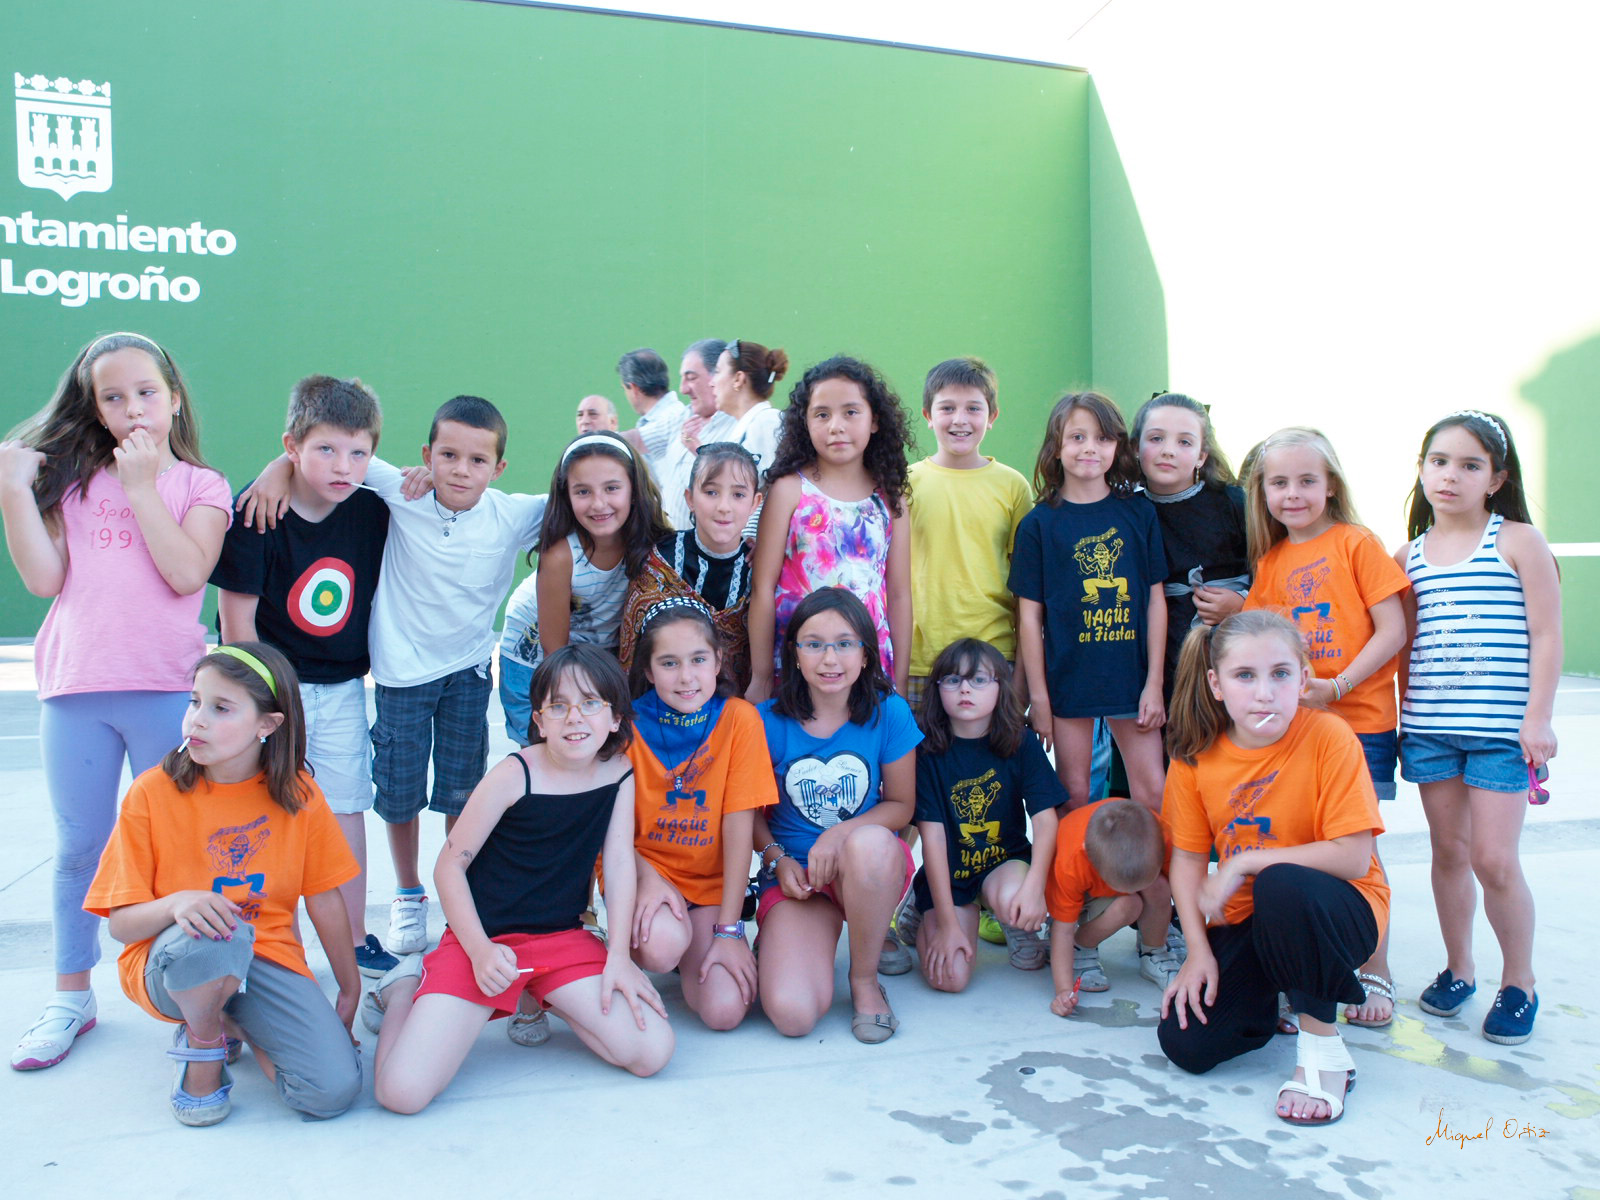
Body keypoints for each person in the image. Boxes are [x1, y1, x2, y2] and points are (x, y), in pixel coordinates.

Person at [238, 395, 548, 960]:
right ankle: (408, 893)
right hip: (401, 677)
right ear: (427, 456)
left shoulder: (515, 514)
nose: (461, 470)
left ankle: (461, 892)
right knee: (399, 794)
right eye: (448, 455)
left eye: (478, 460)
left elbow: (584, 492)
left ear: (499, 468)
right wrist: (276, 469)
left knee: (461, 791)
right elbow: (329, 454)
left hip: (468, 674)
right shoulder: (401, 491)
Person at [1, 331, 231, 1072]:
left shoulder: (202, 486)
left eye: (146, 392)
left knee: (181, 853)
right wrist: (13, 492)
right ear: (95, 409)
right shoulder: (71, 485)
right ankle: (72, 997)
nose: (133, 408)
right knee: (80, 850)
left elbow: (186, 573)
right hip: (75, 690)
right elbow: (44, 580)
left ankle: (191, 996)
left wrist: (140, 487)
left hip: (166, 691)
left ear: (174, 399)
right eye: (113, 397)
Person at [364, 646, 673, 1114]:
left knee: (652, 1052)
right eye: (559, 706)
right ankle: (404, 988)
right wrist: (479, 950)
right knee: (401, 1094)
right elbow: (449, 867)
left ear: (615, 718)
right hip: (484, 941)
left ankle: (541, 992)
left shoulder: (619, 770)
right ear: (539, 721)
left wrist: (618, 958)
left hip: (562, 939)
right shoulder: (514, 774)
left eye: (591, 703)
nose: (575, 717)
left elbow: (618, 862)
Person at [84, 643, 362, 1126]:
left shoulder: (298, 795)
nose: (197, 720)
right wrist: (178, 904)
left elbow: (324, 897)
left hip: (265, 958)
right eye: (194, 702)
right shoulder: (152, 792)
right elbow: (122, 926)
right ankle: (203, 1045)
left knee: (331, 1092)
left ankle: (233, 1019)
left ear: (267, 725)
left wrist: (349, 986)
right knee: (219, 931)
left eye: (221, 708)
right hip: (172, 964)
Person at [1159, 612, 1388, 1127]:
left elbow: (1354, 857)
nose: (1265, 693)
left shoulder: (1329, 735)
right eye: (1245, 676)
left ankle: (1324, 1053)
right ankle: (1279, 996)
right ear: (1216, 684)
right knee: (1187, 1045)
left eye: (1280, 674)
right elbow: (1188, 861)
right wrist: (1197, 952)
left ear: (1304, 679)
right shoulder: (1195, 756)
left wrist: (1246, 861)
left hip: (1339, 914)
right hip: (1254, 921)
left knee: (1281, 883)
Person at [211, 375, 396, 978]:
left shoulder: (371, 506)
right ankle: (275, 948)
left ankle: (356, 939)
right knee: (267, 814)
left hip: (341, 688)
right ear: (291, 446)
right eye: (325, 450)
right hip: (269, 695)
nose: (344, 466)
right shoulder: (257, 511)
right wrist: (261, 708)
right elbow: (236, 624)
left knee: (344, 809)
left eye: (358, 453)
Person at [1398, 410, 1558, 1046]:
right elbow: (1402, 646)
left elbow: (1547, 634)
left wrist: (1537, 718)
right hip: (1431, 731)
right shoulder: (1406, 557)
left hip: (1500, 733)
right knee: (1449, 854)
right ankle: (1459, 969)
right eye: (1439, 462)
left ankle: (1519, 983)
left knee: (1493, 859)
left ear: (1496, 479)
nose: (1450, 476)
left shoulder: (1518, 541)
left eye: (1470, 465)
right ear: (1421, 469)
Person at [1243, 427, 1409, 1029]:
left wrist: (1337, 686)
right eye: (1279, 483)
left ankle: (1375, 967)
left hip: (1359, 723)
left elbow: (1393, 630)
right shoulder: (1270, 563)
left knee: (1358, 851)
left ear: (1331, 485)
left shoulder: (1356, 543)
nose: (1292, 494)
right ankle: (1311, 969)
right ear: (1263, 493)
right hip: (1298, 731)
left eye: (1306, 480)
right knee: (1305, 846)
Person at [753, 588, 922, 1043]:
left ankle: (864, 979)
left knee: (869, 843)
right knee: (793, 1015)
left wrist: (838, 835)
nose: (830, 658)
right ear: (794, 654)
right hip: (798, 878)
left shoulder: (889, 712)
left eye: (845, 643)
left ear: (865, 654)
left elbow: (901, 805)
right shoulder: (766, 721)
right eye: (814, 644)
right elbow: (746, 813)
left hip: (864, 869)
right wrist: (776, 859)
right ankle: (779, 942)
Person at [1010, 392, 1168, 812]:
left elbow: (1155, 601)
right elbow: (1029, 619)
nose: (1090, 448)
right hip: (1068, 680)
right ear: (1056, 447)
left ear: (1117, 446)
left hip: (1131, 679)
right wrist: (1039, 698)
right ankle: (1073, 861)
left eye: (1102, 438)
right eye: (1077, 437)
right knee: (1074, 793)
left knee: (1153, 792)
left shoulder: (1139, 514)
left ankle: (1154, 862)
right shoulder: (1038, 525)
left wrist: (1154, 684)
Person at [625, 599, 775, 1030]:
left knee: (724, 1012)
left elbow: (739, 830)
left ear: (718, 662)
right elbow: (606, 829)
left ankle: (698, 939)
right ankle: (664, 943)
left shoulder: (740, 719)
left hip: (709, 888)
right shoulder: (625, 727)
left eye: (698, 659)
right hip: (644, 873)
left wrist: (729, 929)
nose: (686, 677)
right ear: (648, 670)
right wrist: (646, 877)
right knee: (659, 947)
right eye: (669, 663)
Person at [747, 355, 914, 700]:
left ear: (875, 420)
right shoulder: (789, 490)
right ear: (804, 422)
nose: (836, 426)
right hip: (796, 668)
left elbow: (899, 594)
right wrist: (761, 676)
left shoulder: (890, 499)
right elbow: (762, 588)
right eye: (822, 414)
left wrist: (896, 679)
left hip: (868, 670)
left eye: (851, 412)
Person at [902, 639, 1061, 990]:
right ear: (937, 689)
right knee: (950, 979)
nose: (965, 689)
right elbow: (932, 839)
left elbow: (1045, 820)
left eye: (979, 680)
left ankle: (1013, 920)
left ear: (1000, 686)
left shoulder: (1020, 740)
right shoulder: (925, 749)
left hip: (1003, 863)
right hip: (949, 871)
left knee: (1016, 897)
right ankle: (923, 902)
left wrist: (1035, 888)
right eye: (953, 680)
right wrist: (947, 925)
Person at [498, 430, 671, 744]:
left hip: (599, 653)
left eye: (612, 488)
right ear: (566, 495)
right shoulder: (561, 555)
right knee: (550, 747)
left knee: (605, 746)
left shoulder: (653, 541)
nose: (598, 503)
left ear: (634, 490)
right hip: (535, 659)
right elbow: (555, 654)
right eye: (583, 492)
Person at [906, 358, 1033, 712]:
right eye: (947, 408)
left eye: (973, 408)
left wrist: (1022, 677)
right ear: (928, 415)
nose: (960, 419)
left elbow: (1026, 590)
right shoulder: (904, 483)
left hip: (993, 657)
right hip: (919, 659)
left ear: (992, 416)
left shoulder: (1013, 486)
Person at [1132, 393, 1250, 704]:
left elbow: (1274, 570)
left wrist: (1244, 601)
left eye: (1184, 442)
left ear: (1201, 456)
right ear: (1135, 448)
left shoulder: (1234, 503)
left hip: (1226, 649)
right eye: (1156, 438)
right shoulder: (1126, 512)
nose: (1168, 450)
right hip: (1151, 660)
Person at [619, 442, 761, 690]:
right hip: (662, 701)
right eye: (711, 492)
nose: (724, 506)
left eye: (738, 495)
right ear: (690, 498)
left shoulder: (760, 568)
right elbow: (633, 655)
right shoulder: (659, 562)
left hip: (736, 705)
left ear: (755, 503)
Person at [1045, 798, 1178, 1011]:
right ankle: (1081, 946)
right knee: (1130, 904)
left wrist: (1199, 951)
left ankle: (1154, 952)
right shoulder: (1072, 862)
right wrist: (1063, 990)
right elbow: (1063, 930)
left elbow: (1186, 891)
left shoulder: (1161, 835)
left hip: (1109, 875)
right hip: (1082, 895)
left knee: (1160, 887)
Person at [658, 338, 733, 528]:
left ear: (719, 376)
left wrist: (699, 450)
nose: (683, 389)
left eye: (691, 378)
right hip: (665, 540)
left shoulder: (739, 428)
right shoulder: (682, 417)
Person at [711, 338, 789, 484]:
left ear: (738, 379)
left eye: (717, 371)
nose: (711, 382)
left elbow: (768, 486)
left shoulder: (767, 422)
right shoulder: (751, 425)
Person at [616, 348, 686, 488]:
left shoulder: (674, 416)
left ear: (634, 388)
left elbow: (634, 440)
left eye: (624, 389)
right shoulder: (668, 415)